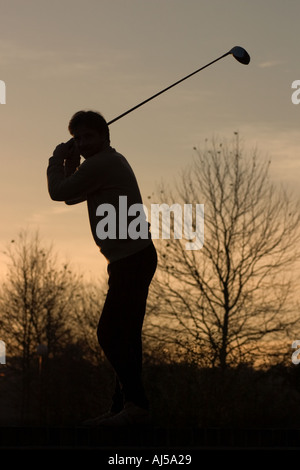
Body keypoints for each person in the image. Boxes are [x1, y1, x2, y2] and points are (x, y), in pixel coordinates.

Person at [47, 110, 157, 426]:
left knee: (109, 333)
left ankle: (136, 404)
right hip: (130, 259)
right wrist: (71, 164)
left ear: (104, 137)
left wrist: (57, 159)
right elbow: (72, 196)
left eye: (88, 137)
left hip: (132, 260)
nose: (81, 143)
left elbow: (58, 192)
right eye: (77, 138)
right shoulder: (104, 164)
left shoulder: (103, 163)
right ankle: (125, 407)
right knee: (125, 335)